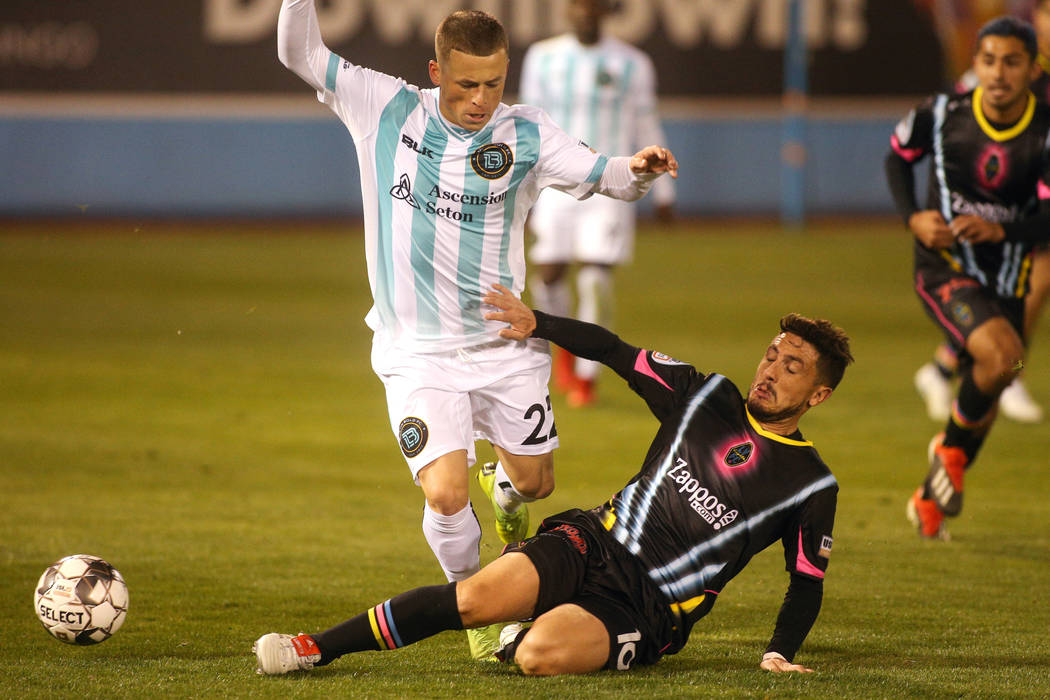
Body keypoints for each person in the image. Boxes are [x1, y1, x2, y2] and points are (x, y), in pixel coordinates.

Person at [276, 0, 678, 659]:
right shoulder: (384, 106)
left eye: (493, 83)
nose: (480, 99)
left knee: (538, 482)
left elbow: (602, 173)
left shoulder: (527, 134)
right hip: (417, 353)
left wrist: (637, 170)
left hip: (503, 347)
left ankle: (507, 489)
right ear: (436, 71)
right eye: (465, 84)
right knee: (445, 489)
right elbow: (301, 53)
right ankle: (477, 605)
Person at [253, 285, 853, 677]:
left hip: (649, 607)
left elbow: (805, 583)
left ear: (818, 395)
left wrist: (780, 653)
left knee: (537, 656)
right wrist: (536, 321)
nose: (771, 370)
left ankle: (529, 622)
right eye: (773, 354)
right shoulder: (705, 396)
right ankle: (316, 647)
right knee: (472, 601)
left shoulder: (809, 485)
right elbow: (615, 351)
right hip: (594, 540)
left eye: (792, 366)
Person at [885, 16, 1050, 540]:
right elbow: (897, 157)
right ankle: (950, 452)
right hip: (945, 271)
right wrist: (913, 215)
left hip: (1007, 278)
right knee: (1002, 358)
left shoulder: (1044, 132)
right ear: (973, 64)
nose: (998, 73)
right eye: (988, 60)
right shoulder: (940, 115)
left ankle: (930, 493)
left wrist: (1004, 233)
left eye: (1011, 62)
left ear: (1032, 69)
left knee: (999, 376)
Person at [521, 0, 676, 408]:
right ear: (567, 10)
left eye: (592, 5)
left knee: (595, 276)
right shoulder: (542, 58)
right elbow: (528, 124)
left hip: (611, 182)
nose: (584, 12)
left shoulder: (633, 64)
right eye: (577, 5)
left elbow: (646, 121)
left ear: (606, 11)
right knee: (549, 274)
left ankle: (587, 376)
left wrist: (663, 190)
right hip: (554, 182)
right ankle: (565, 353)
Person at [916, 0, 1050, 424]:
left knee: (1014, 289)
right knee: (1030, 284)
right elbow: (953, 124)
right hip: (997, 202)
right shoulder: (1009, 67)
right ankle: (1005, 375)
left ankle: (944, 370)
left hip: (1028, 199)